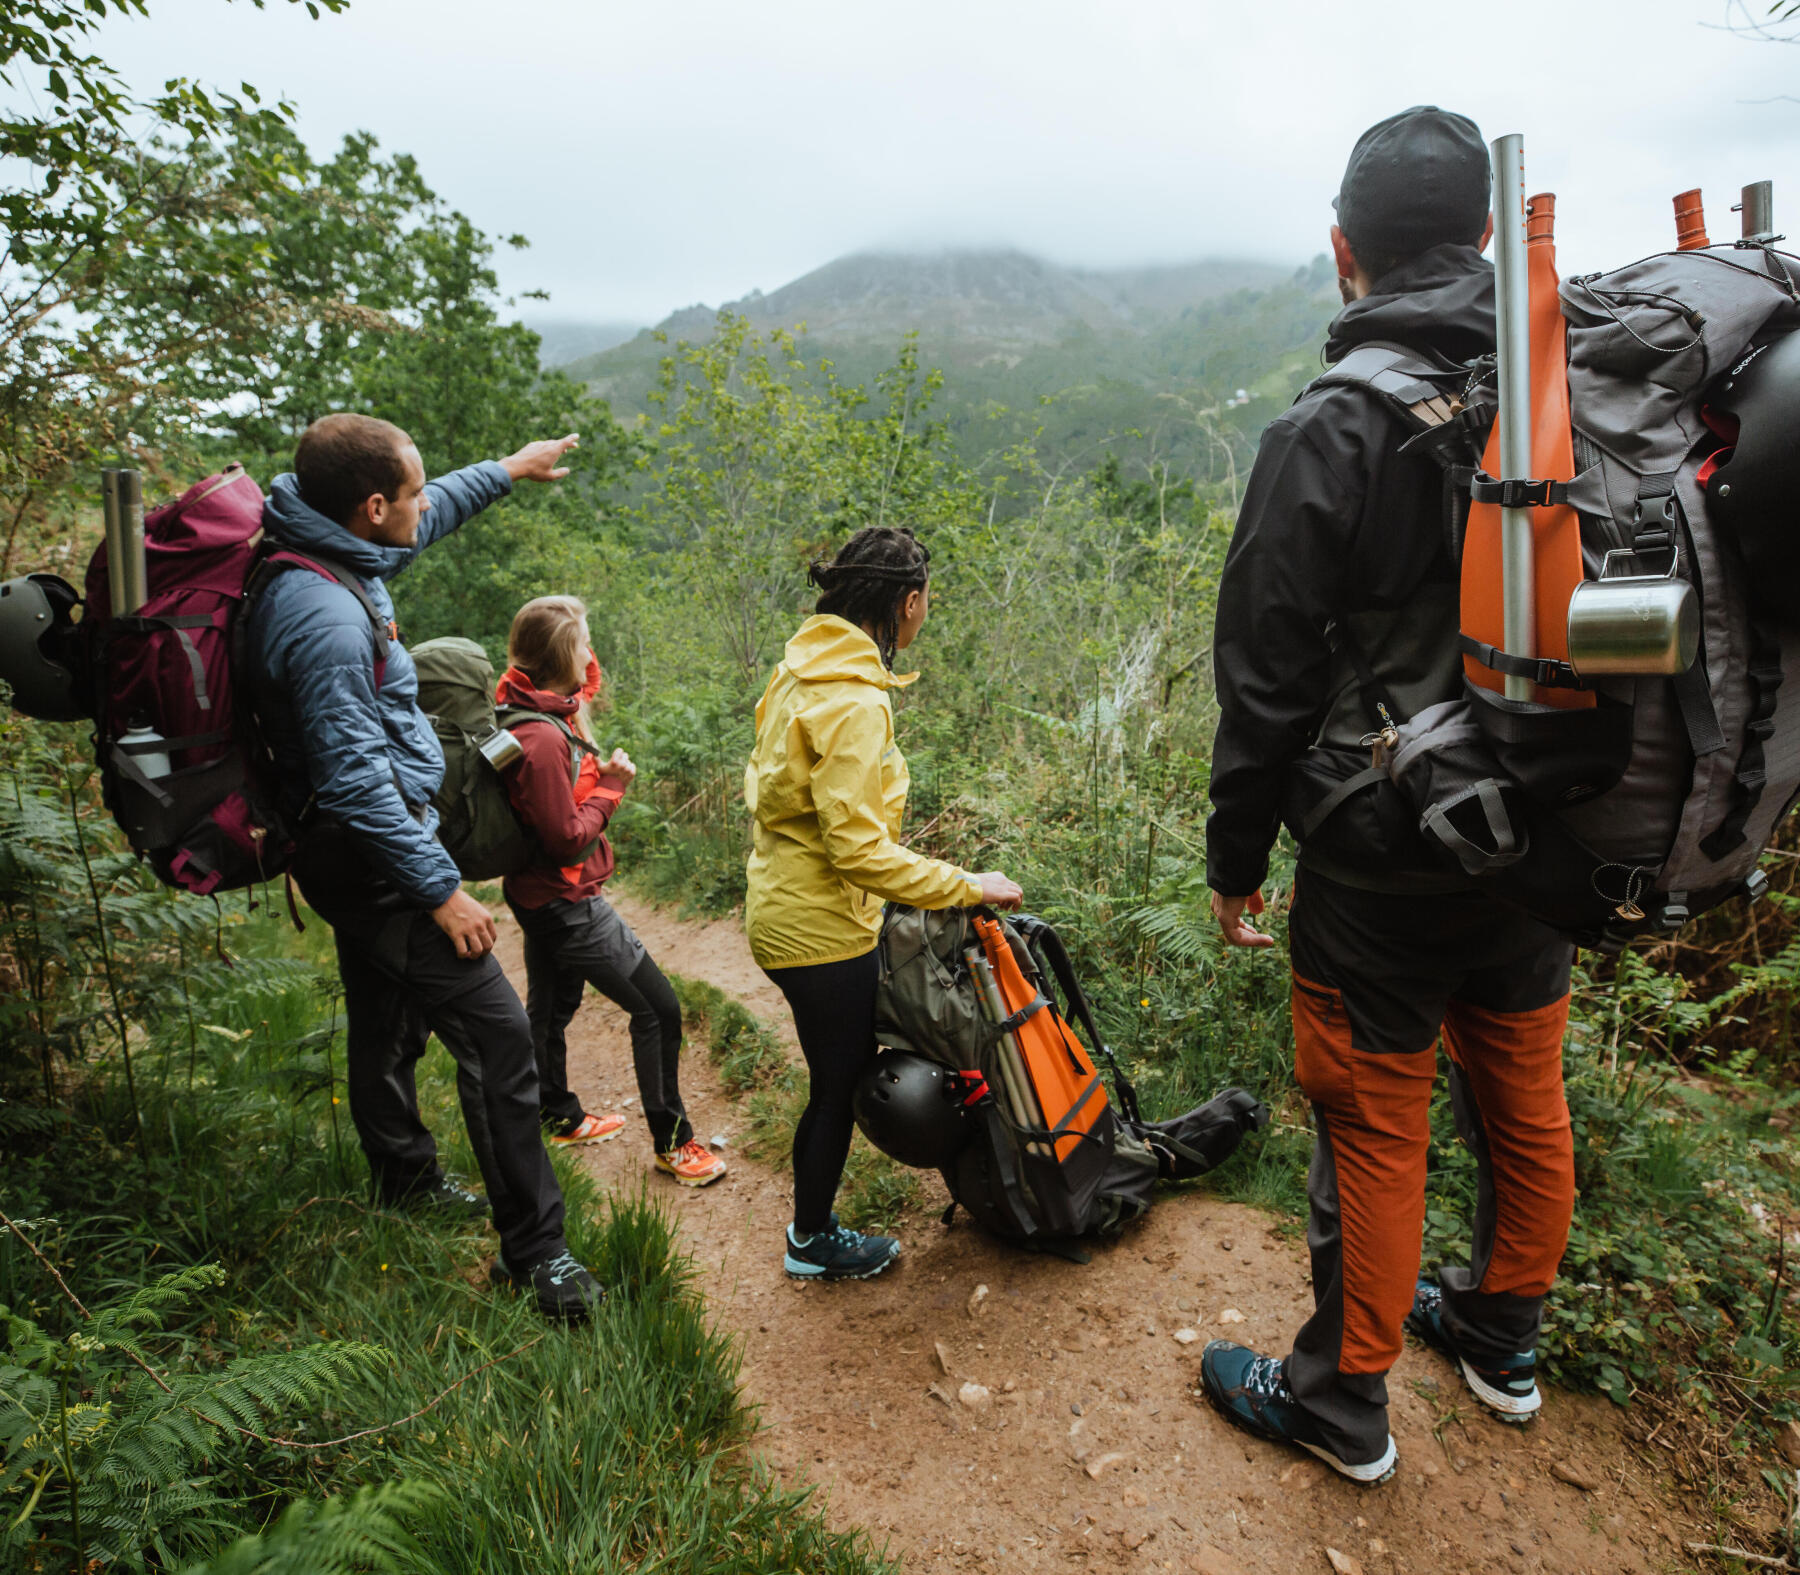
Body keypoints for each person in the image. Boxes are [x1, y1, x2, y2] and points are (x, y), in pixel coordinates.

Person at [1198, 107, 1576, 1482]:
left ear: (1344, 251)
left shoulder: (1330, 426)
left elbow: (1266, 674)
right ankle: (1501, 1332)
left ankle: (1342, 1398)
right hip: (1546, 830)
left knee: (1372, 1111)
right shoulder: (1565, 388)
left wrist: (1237, 851)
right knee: (1524, 1091)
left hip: (1381, 855)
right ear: (1484, 235)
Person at [249, 412, 605, 1321]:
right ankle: (539, 1255)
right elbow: (355, 781)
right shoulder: (325, 617)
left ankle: (402, 1175)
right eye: (409, 490)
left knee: (383, 1014)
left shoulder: (326, 548)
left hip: (351, 856)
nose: (422, 501)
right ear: (372, 507)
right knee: (499, 1039)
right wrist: (441, 890)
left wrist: (506, 469)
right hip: (373, 860)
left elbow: (429, 510)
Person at [744, 526, 1023, 1281]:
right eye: (926, 597)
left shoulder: (802, 669)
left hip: (783, 906)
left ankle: (816, 1226)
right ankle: (811, 1239)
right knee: (839, 1084)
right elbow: (858, 851)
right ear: (907, 602)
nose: (927, 608)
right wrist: (970, 884)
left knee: (834, 1075)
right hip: (821, 930)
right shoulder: (854, 702)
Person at [495, 594, 726, 1187]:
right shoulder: (545, 742)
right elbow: (566, 840)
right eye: (582, 644)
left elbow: (584, 682)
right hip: (568, 899)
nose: (590, 658)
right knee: (658, 1009)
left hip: (535, 895)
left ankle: (557, 1115)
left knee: (551, 1009)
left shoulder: (527, 699)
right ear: (558, 658)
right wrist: (613, 787)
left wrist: (571, 632)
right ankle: (674, 1145)